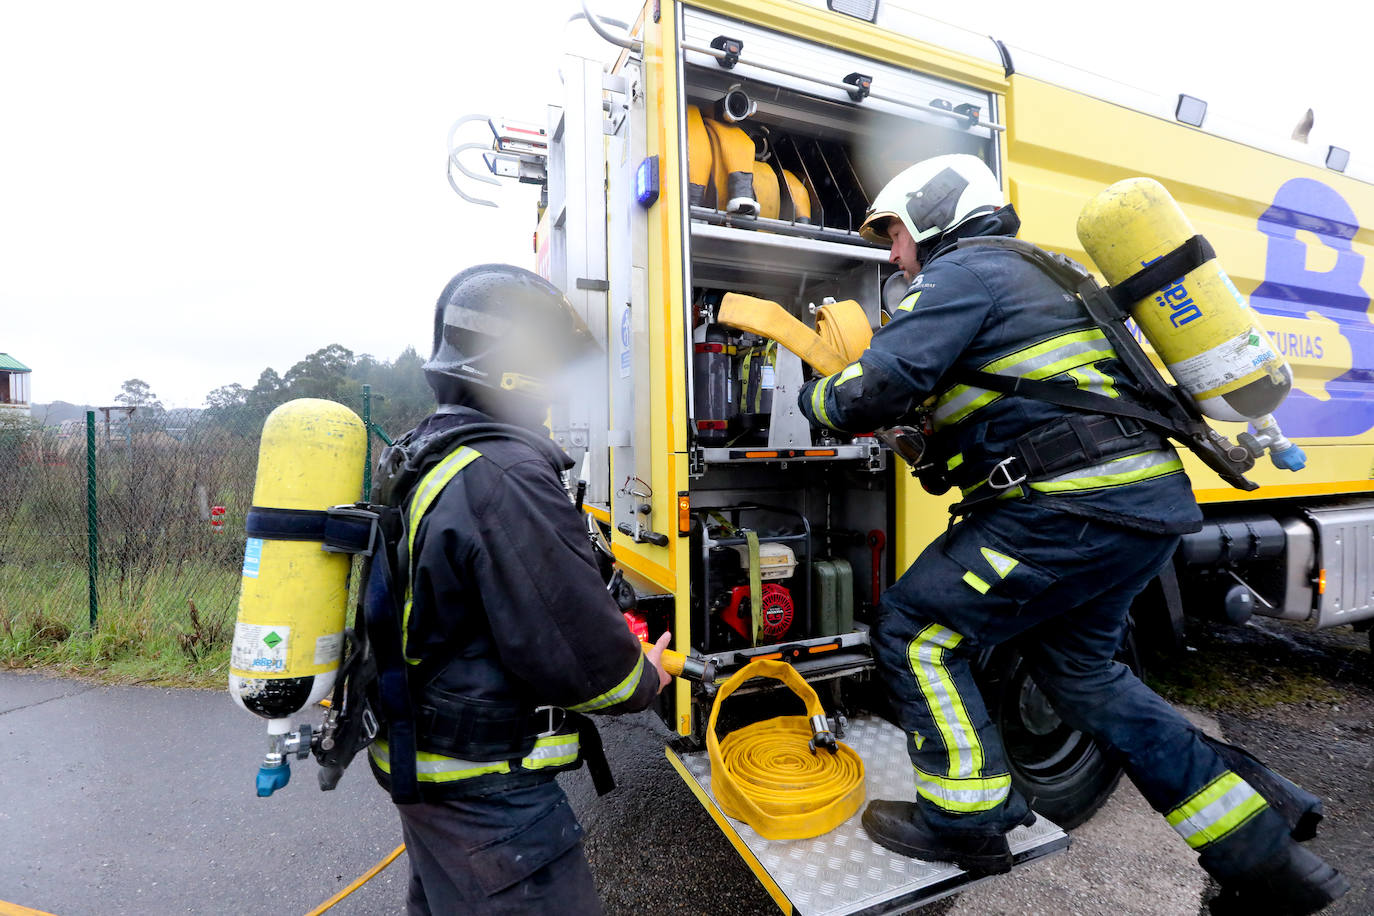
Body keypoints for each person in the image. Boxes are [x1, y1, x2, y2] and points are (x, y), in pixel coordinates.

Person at [797, 154, 1347, 915]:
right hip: (1140, 508)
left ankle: (965, 823)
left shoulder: (964, 272)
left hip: (1067, 510)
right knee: (1084, 675)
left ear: (933, 214)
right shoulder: (1048, 275)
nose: (893, 255)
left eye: (894, 234)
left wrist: (818, 396)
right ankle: (1267, 861)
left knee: (918, 630)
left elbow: (871, 391)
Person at [365, 263, 672, 915]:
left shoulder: (433, 451)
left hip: (432, 770)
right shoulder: (505, 475)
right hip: (489, 798)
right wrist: (645, 675)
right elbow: (587, 664)